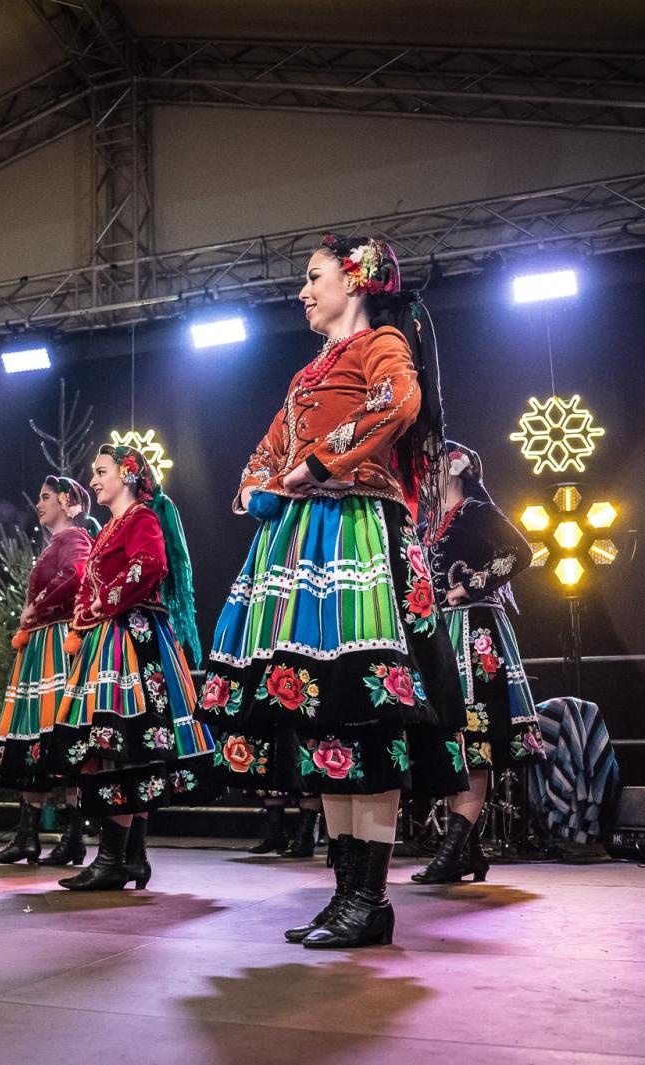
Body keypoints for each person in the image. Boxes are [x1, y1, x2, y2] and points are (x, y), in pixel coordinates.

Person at [199, 234, 467, 949]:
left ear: (355, 280)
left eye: (313, 277)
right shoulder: (307, 372)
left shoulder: (380, 343)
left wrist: (318, 465)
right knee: (323, 712)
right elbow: (268, 446)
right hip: (304, 537)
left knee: (363, 706)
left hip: (356, 530)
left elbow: (398, 402)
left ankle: (369, 898)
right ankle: (349, 894)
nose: (302, 291)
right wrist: (261, 485)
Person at [48, 445, 217, 890]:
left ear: (126, 475)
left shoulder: (142, 518)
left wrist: (107, 601)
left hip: (132, 637)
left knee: (121, 744)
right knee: (122, 746)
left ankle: (112, 861)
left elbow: (152, 564)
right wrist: (86, 617)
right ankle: (132, 857)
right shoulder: (110, 528)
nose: (94, 480)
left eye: (101, 472)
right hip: (113, 635)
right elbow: (88, 584)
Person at [411, 441, 544, 884]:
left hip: (474, 632)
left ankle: (454, 852)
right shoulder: (429, 524)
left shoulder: (475, 511)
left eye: (432, 464)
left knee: (475, 738)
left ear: (457, 469)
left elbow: (520, 552)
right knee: (453, 738)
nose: (424, 472)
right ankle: (467, 852)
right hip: (442, 633)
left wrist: (470, 585)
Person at [0, 477, 95, 865]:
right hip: (41, 644)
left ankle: (70, 838)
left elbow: (79, 575)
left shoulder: (74, 539)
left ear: (68, 503)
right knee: (35, 735)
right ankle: (29, 836)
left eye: (46, 497)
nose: (38, 503)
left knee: (55, 734)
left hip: (55, 645)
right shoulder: (57, 543)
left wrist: (37, 607)